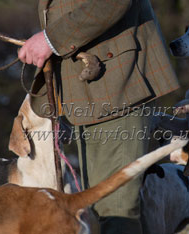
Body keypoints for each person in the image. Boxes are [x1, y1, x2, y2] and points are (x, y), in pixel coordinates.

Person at [18, 0, 179, 233]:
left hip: (118, 85)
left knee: (116, 212)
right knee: (103, 211)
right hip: (88, 93)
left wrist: (51, 40)